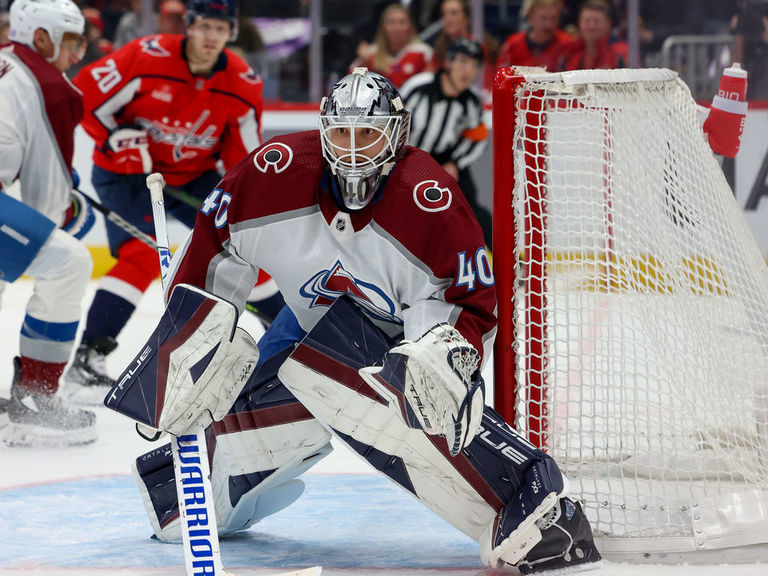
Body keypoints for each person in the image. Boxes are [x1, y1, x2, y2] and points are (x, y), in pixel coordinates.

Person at [108, 67, 602, 573]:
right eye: (341, 133)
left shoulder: (428, 201)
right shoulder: (273, 174)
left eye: (366, 133)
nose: (352, 149)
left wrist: (438, 360)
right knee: (185, 499)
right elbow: (213, 250)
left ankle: (537, 508)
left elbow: (470, 303)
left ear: (397, 132)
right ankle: (177, 482)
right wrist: (189, 344)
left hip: (394, 343)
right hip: (302, 327)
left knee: (418, 395)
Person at [65, 0, 283, 404]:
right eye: (204, 27)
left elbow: (245, 156)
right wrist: (111, 136)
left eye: (220, 29)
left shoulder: (242, 81)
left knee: (248, 250)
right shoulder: (145, 56)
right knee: (140, 256)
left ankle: (290, 338)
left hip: (192, 177)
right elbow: (85, 96)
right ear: (189, 26)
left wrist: (250, 203)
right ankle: (87, 356)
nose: (211, 37)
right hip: (126, 173)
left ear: (231, 32)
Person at [0, 0, 97, 446]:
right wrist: (62, 212)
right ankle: (36, 397)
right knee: (69, 261)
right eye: (73, 43)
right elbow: (47, 195)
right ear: (41, 38)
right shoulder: (48, 84)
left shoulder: (7, 63)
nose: (78, 55)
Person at [400, 38, 492, 249]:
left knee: (470, 211)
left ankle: (509, 263)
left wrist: (455, 164)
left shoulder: (471, 101)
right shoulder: (418, 88)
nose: (467, 70)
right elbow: (393, 124)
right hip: (406, 160)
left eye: (474, 65)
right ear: (449, 62)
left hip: (446, 162)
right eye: (462, 61)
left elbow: (477, 138)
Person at [349, 3, 432, 88]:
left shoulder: (423, 52)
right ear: (383, 28)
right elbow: (350, 82)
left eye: (402, 22)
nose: (397, 28)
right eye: (392, 23)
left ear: (410, 26)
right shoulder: (371, 53)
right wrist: (363, 62)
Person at [497, 0, 574, 71]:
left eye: (553, 18)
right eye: (543, 18)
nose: (548, 25)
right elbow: (501, 77)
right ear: (530, 18)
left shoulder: (567, 43)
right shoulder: (512, 44)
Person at [559, 0, 627, 70]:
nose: (591, 26)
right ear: (579, 23)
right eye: (587, 21)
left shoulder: (617, 56)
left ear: (608, 24)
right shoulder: (568, 55)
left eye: (596, 21)